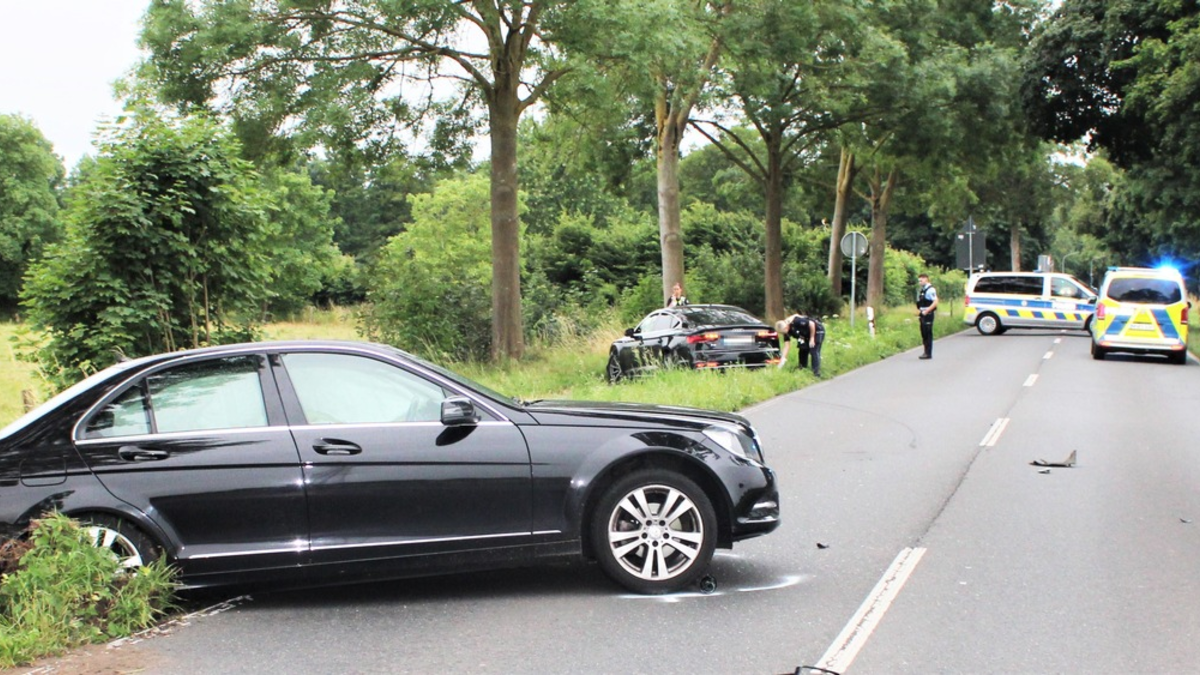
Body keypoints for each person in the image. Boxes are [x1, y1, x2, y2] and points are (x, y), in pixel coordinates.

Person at [776, 311, 825, 377]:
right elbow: (786, 346)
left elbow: (811, 324)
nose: (784, 334)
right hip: (805, 335)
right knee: (802, 349)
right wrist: (782, 360)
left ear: (786, 327)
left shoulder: (796, 321)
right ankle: (802, 368)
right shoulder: (786, 332)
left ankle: (816, 372)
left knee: (814, 350)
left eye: (783, 332)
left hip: (817, 330)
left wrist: (812, 338)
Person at [916, 273, 938, 359]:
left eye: (921, 280)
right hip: (923, 313)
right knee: (924, 333)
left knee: (928, 333)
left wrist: (927, 311)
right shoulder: (923, 290)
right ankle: (925, 351)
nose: (920, 282)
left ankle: (928, 353)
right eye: (919, 281)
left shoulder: (930, 290)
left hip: (927, 314)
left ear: (926, 279)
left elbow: (935, 302)